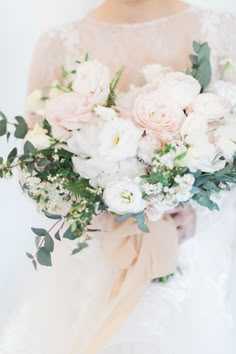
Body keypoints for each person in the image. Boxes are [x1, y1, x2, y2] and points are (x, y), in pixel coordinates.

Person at [0, 1, 236, 353]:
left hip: (196, 259)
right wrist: (92, 211)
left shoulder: (221, 29)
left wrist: (199, 210)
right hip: (97, 259)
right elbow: (42, 164)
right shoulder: (58, 43)